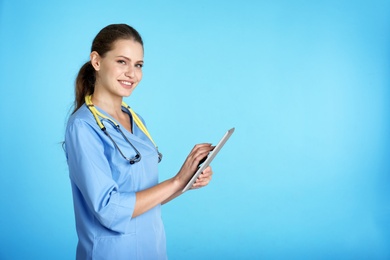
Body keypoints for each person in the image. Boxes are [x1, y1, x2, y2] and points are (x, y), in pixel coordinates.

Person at [64, 24, 214, 260]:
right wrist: (176, 181)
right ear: (96, 61)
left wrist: (188, 180)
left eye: (138, 65)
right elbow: (110, 209)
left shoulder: (136, 120)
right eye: (122, 62)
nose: (132, 73)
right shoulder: (83, 126)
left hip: (152, 248)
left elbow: (146, 199)